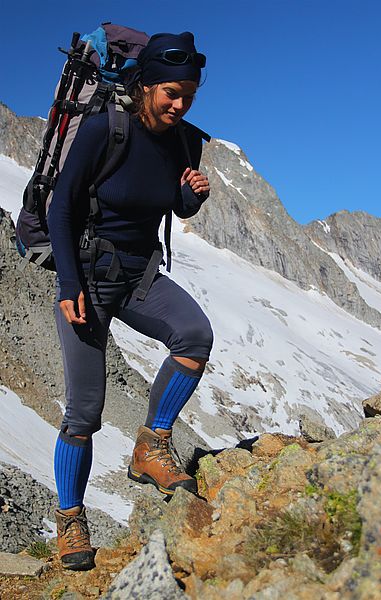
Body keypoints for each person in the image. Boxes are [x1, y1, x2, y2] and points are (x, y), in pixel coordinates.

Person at [47, 31, 213, 571]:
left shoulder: (184, 140)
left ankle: (151, 445)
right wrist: (69, 282)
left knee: (195, 335)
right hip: (88, 278)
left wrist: (191, 196)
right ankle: (70, 521)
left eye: (188, 93)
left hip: (139, 275)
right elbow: (62, 209)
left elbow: (173, 206)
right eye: (171, 92)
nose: (180, 103)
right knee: (83, 413)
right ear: (144, 86)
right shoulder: (105, 129)